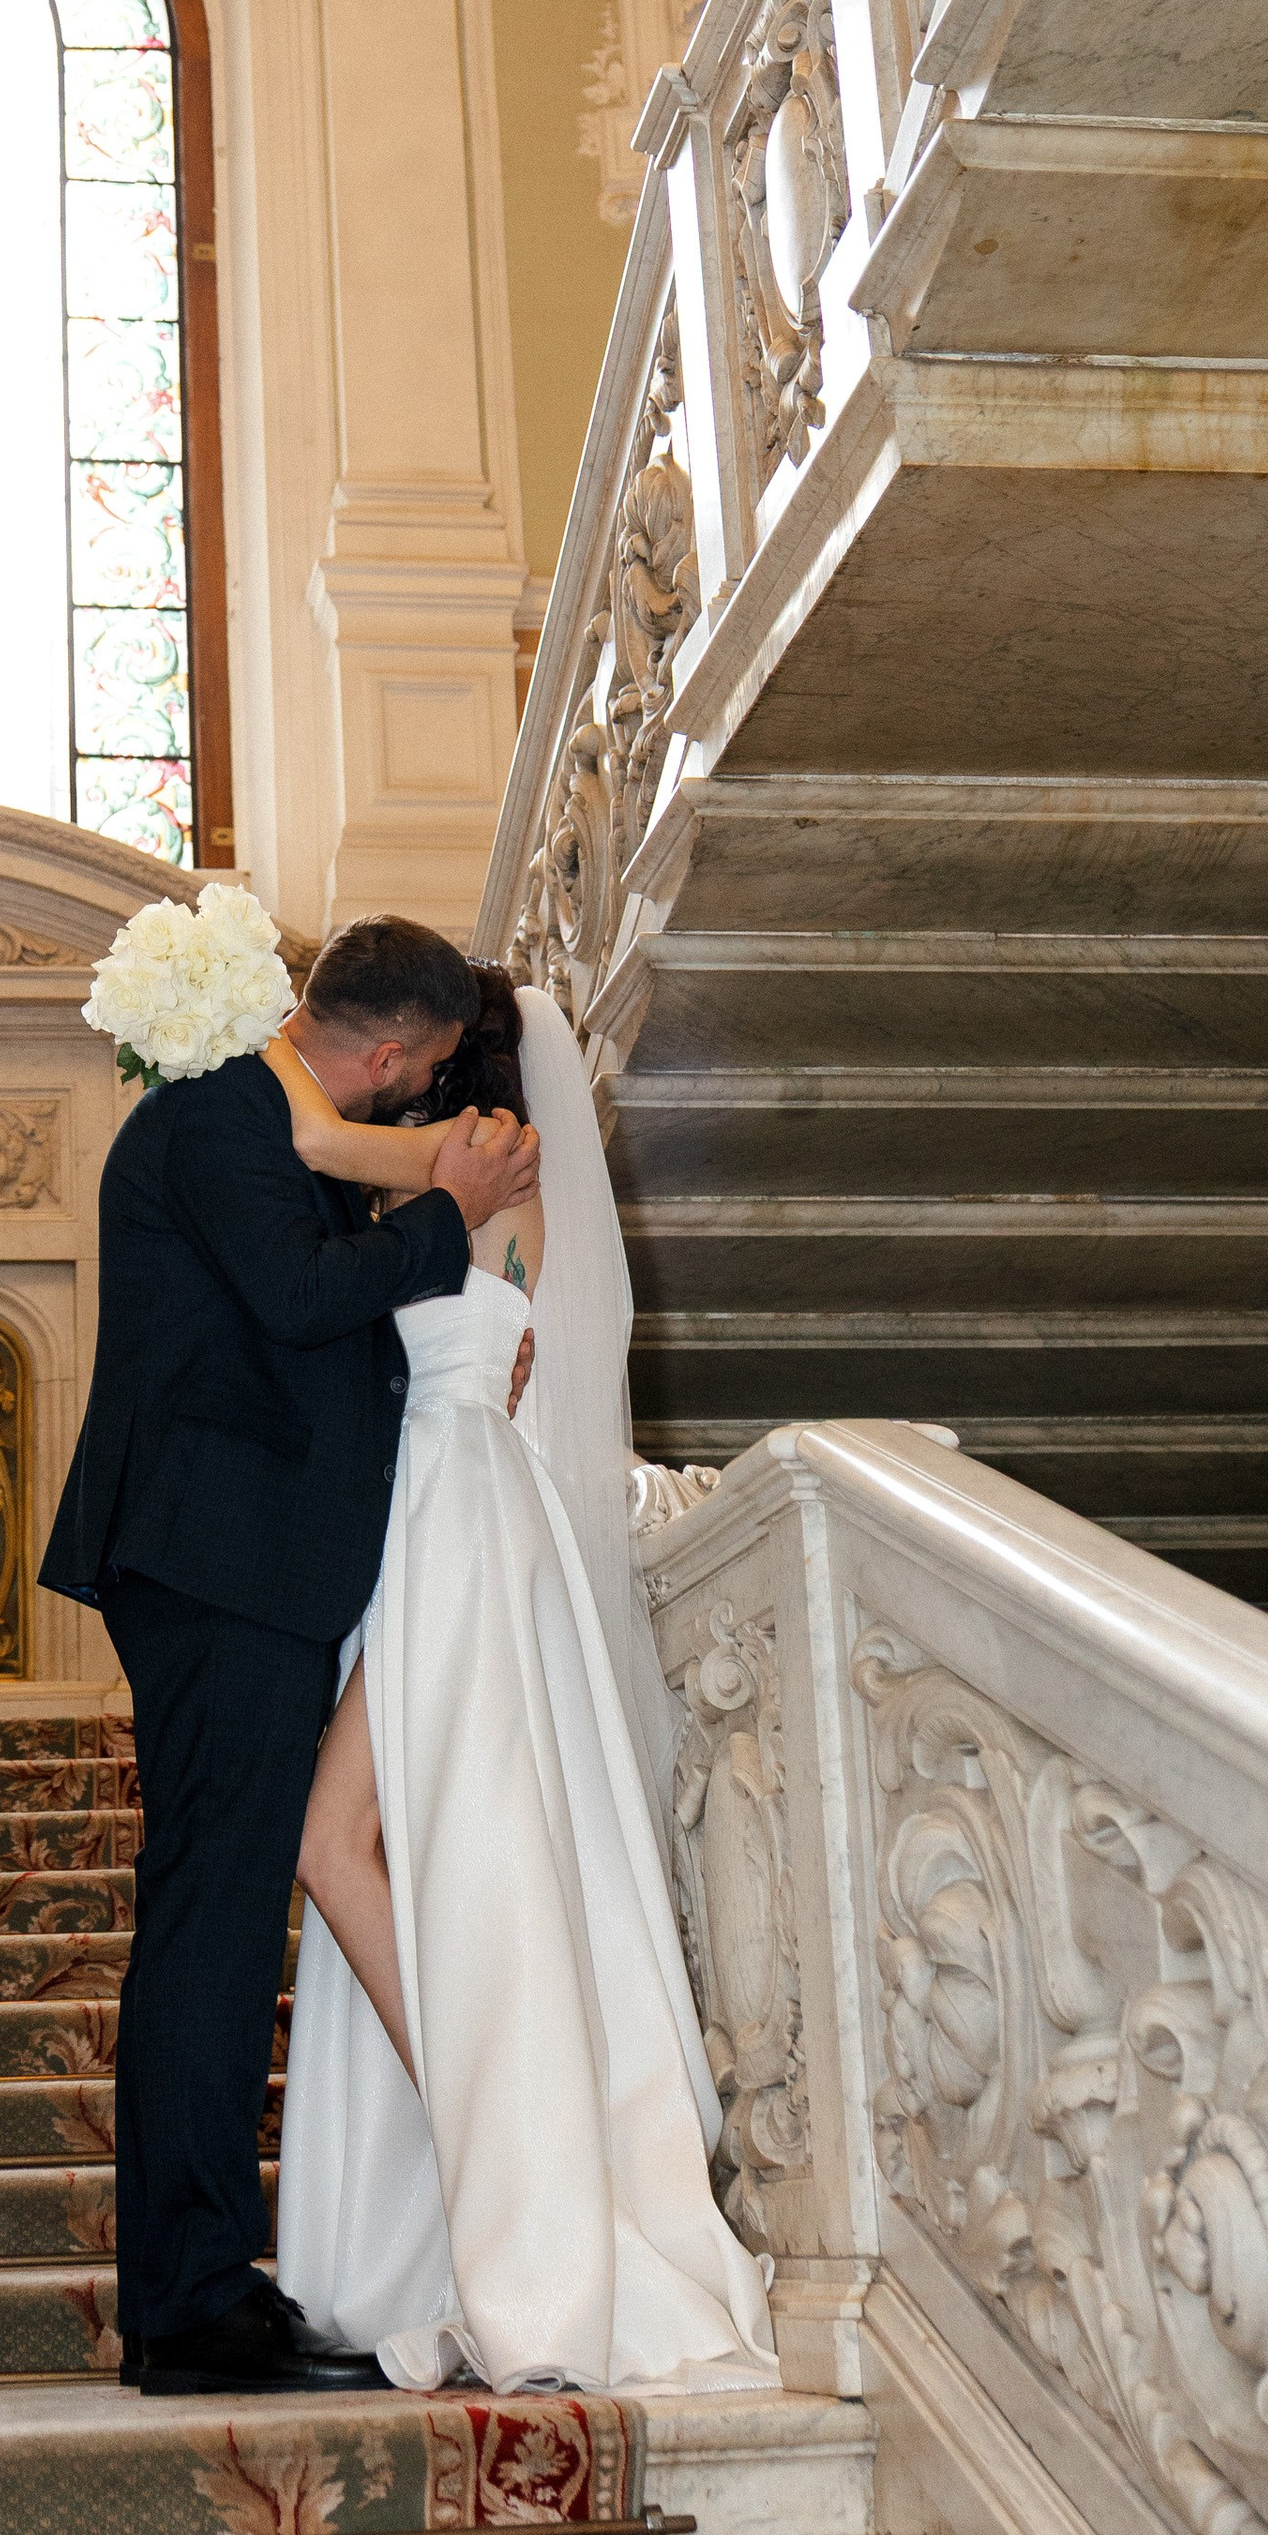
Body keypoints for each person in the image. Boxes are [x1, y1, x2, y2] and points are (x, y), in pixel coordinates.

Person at [38, 913, 539, 2398]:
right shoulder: (214, 1118)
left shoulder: (267, 1118)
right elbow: (300, 1299)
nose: (413, 1097)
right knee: (211, 1918)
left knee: (225, 1908)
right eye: (422, 1072)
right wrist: (447, 1215)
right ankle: (188, 2304)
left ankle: (201, 2282)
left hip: (246, 1563)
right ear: (391, 1050)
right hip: (217, 1564)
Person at [269, 971, 778, 2395]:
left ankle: (523, 2166)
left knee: (344, 1840)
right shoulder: (479, 1175)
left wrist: (255, 1036)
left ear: (444, 1058)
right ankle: (504, 2162)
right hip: (442, 1517)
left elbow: (304, 1133)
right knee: (437, 1855)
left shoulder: (480, 1158)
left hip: (455, 1518)